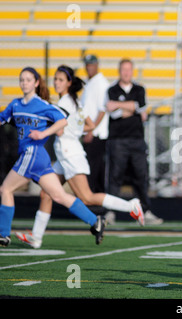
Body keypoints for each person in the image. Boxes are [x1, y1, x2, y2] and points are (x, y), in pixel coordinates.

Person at [15, 65, 144, 249]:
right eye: (55, 79)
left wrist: (52, 128)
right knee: (46, 193)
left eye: (60, 80)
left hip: (70, 155)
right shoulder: (74, 101)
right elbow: (89, 125)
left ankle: (131, 206)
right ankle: (36, 237)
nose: (57, 83)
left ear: (68, 83)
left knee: (87, 197)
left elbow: (60, 131)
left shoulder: (65, 103)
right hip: (66, 154)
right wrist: (73, 130)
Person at [0, 67, 106, 247]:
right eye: (22, 80)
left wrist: (43, 134)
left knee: (5, 189)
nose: (24, 83)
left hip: (32, 153)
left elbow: (62, 121)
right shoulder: (15, 105)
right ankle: (95, 221)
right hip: (38, 159)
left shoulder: (42, 105)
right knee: (58, 196)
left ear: (36, 83)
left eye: (28, 80)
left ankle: (3, 234)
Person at [105, 59, 162, 225]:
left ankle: (145, 211)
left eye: (129, 70)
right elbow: (115, 113)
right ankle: (110, 211)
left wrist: (120, 106)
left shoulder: (139, 89)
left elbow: (140, 108)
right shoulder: (112, 89)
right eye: (123, 69)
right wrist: (132, 108)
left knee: (140, 176)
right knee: (115, 176)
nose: (126, 73)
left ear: (132, 71)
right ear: (119, 71)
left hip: (137, 140)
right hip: (117, 141)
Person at [81, 54, 109, 193]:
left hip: (97, 134)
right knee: (94, 169)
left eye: (92, 64)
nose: (89, 67)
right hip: (90, 131)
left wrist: (91, 130)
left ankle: (93, 200)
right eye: (87, 64)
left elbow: (102, 110)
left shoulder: (101, 83)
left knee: (93, 169)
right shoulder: (90, 82)